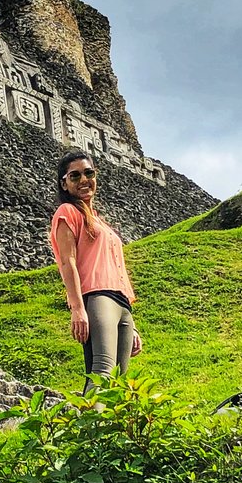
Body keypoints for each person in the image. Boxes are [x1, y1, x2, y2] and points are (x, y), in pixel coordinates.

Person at [50, 149, 142, 389]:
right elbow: (67, 261)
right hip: (98, 297)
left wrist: (132, 325)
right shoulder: (67, 212)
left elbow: (116, 267)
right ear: (64, 183)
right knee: (101, 371)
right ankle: (88, 427)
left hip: (122, 303)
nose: (83, 180)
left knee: (119, 382)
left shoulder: (100, 221)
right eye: (75, 176)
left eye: (88, 173)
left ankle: (109, 427)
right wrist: (77, 308)